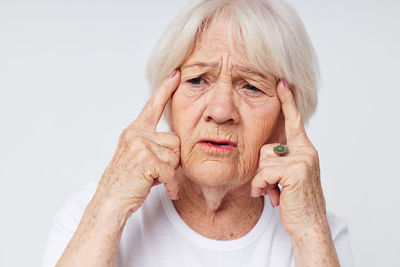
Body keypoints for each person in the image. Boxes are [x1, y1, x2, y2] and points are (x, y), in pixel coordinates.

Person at [42, 0, 355, 266]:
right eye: (198, 80)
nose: (220, 111)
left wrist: (311, 232)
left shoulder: (318, 234)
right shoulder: (89, 214)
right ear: (167, 101)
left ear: (287, 118)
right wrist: (108, 206)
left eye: (251, 86)